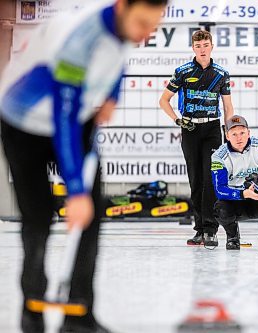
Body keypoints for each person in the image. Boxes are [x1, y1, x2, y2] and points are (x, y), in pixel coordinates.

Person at [0, 0, 167, 332]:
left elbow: (117, 63)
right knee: (38, 218)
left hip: (74, 118)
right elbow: (64, 118)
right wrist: (74, 190)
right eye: (143, 23)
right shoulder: (78, 38)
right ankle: (32, 311)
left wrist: (112, 97)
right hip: (25, 126)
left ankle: (79, 315)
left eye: (154, 24)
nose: (148, 33)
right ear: (122, 7)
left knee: (91, 216)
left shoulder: (123, 30)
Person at [159, 30, 234, 247]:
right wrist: (177, 120)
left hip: (212, 128)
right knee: (195, 180)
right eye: (198, 46)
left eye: (206, 45)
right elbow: (164, 100)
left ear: (212, 46)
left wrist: (229, 131)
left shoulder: (221, 73)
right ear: (193, 48)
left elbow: (228, 106)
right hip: (189, 129)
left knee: (210, 180)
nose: (202, 49)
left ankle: (211, 230)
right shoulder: (182, 71)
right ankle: (199, 230)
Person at [211, 115, 258, 250]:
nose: (239, 137)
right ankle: (233, 237)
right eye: (234, 134)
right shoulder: (218, 157)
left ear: (249, 132)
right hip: (236, 202)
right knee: (219, 207)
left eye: (242, 133)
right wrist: (243, 194)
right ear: (227, 136)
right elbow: (219, 190)